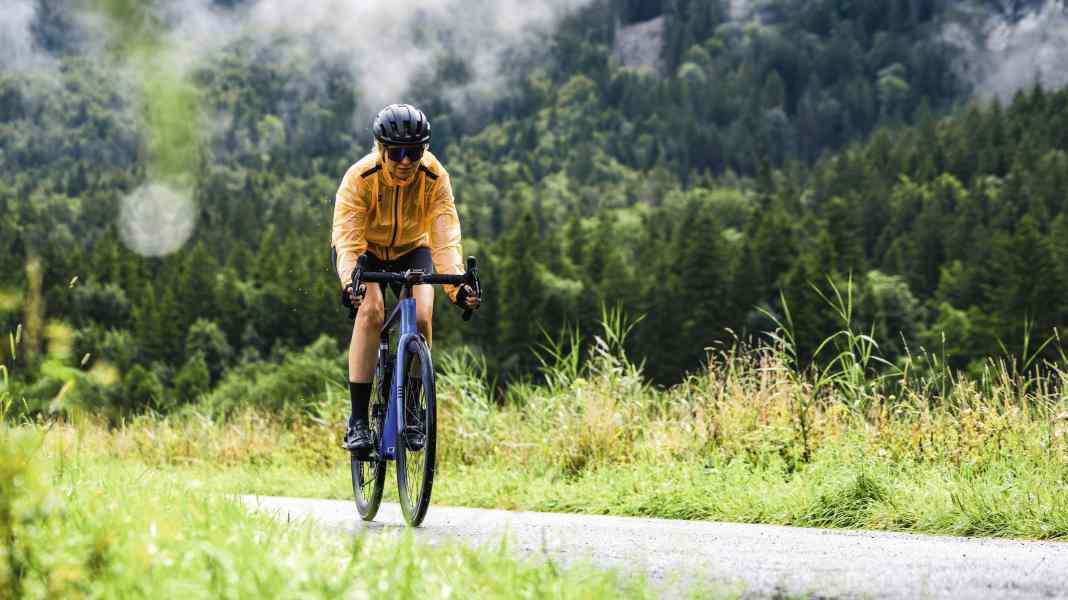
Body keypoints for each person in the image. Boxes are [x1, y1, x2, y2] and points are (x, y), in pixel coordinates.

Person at [331, 103, 480, 451]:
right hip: (365, 251)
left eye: (413, 152)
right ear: (380, 149)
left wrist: (458, 289)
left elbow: (445, 237)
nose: (405, 161)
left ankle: (412, 410)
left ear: (423, 150)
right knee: (371, 312)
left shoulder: (434, 176)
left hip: (414, 247)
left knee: (423, 317)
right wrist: (351, 283)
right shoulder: (359, 178)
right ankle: (357, 421)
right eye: (396, 152)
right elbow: (348, 241)